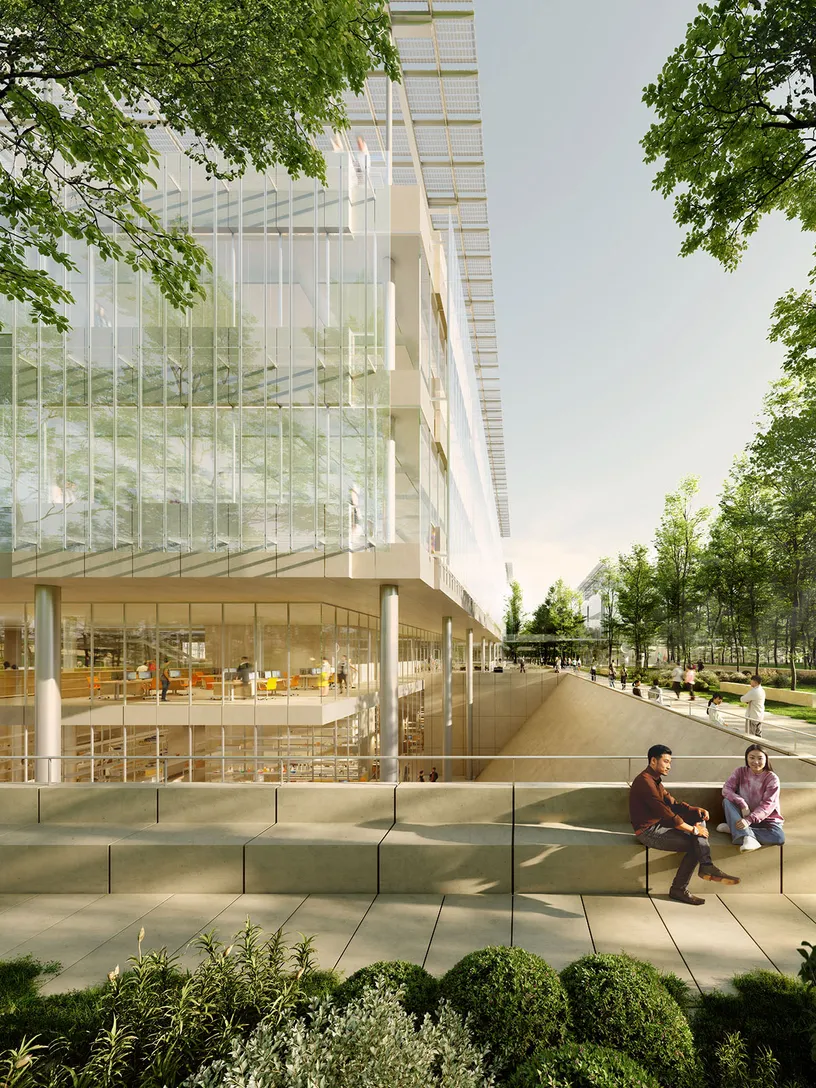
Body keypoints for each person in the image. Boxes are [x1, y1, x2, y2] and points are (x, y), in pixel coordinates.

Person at [629, 744, 740, 905]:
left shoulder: (654, 780)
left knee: (699, 818)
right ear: (653, 761)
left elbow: (672, 803)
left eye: (670, 762)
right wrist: (694, 830)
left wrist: (695, 810)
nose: (669, 766)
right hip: (648, 832)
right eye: (666, 761)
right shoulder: (645, 782)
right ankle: (681, 887)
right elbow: (666, 814)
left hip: (659, 825)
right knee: (695, 844)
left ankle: (706, 866)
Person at [717, 744, 785, 852]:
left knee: (778, 838)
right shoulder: (740, 771)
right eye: (752, 757)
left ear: (766, 759)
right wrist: (742, 803)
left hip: (766, 820)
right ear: (746, 758)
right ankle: (746, 837)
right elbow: (726, 789)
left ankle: (737, 831)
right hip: (743, 815)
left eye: (760, 758)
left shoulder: (772, 778)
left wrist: (749, 820)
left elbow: (767, 805)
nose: (756, 762)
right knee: (727, 801)